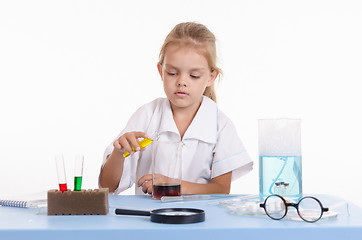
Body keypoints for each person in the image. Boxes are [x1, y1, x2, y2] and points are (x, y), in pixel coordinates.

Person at [99, 22, 253, 195]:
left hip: (202, 220)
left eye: (194, 76)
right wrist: (119, 154)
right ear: (161, 71)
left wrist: (173, 187)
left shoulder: (220, 124)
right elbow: (107, 187)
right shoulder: (146, 116)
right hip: (148, 219)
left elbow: (221, 189)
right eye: (172, 73)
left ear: (211, 77)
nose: (182, 81)